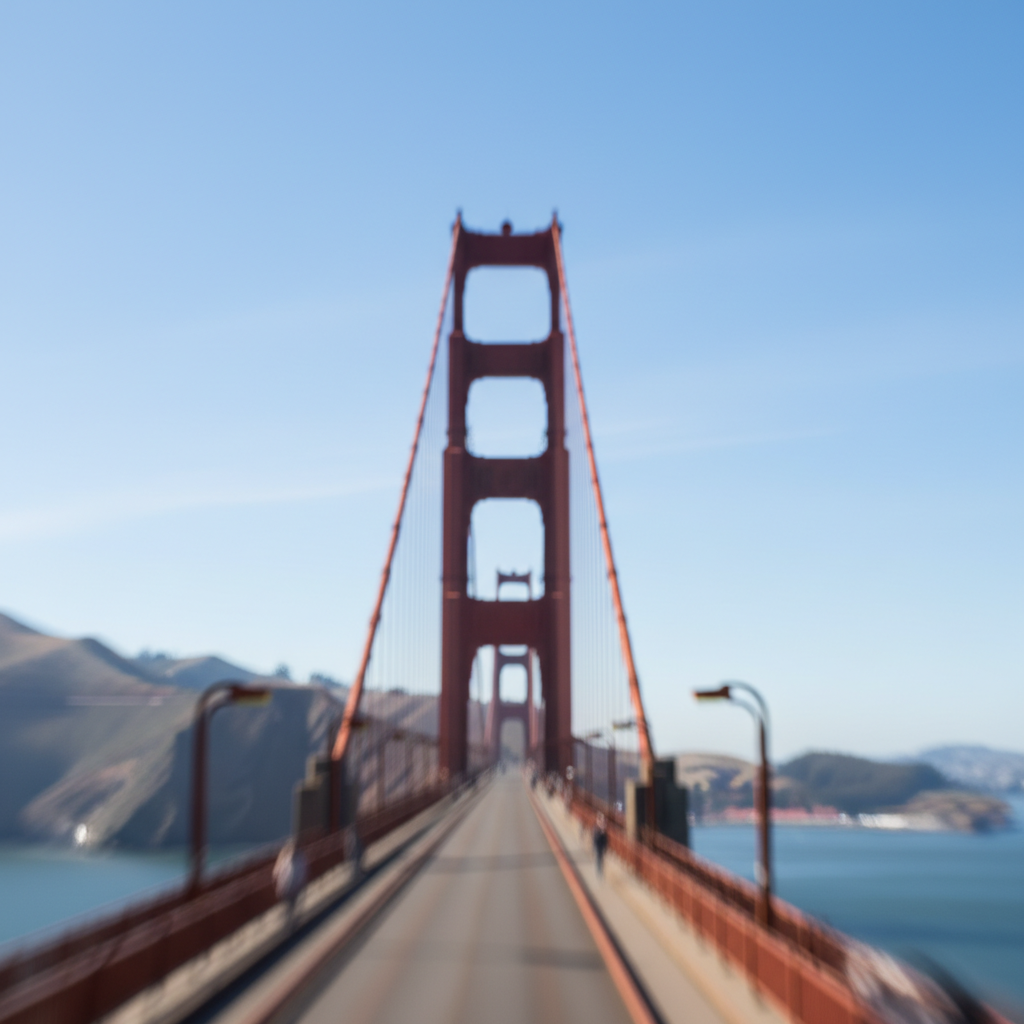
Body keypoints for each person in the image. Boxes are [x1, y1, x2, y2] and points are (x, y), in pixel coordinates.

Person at [273, 840, 308, 922]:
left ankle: (290, 922)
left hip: (294, 888)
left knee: (291, 906)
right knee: (288, 906)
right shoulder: (285, 860)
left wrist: (301, 884)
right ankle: (289, 921)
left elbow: (303, 872)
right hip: (286, 889)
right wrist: (278, 886)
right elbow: (276, 873)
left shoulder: (299, 859)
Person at [593, 813, 609, 878]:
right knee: (598, 859)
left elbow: (606, 840)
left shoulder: (603, 830)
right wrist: (601, 833)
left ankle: (600, 870)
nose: (602, 822)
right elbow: (595, 839)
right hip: (598, 846)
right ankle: (599, 871)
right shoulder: (596, 829)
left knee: (601, 859)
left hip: (602, 847)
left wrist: (606, 847)